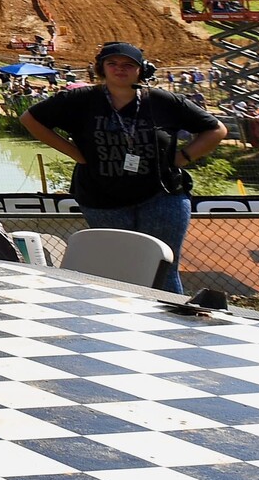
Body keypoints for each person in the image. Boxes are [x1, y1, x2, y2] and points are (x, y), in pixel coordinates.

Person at [20, 43, 222, 293]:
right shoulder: (79, 99)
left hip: (161, 195)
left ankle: (168, 317)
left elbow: (216, 129)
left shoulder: (162, 100)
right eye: (112, 64)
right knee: (118, 267)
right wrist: (75, 153)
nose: (120, 69)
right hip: (101, 197)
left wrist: (183, 157)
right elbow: (30, 119)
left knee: (162, 267)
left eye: (128, 65)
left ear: (141, 70)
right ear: (101, 68)